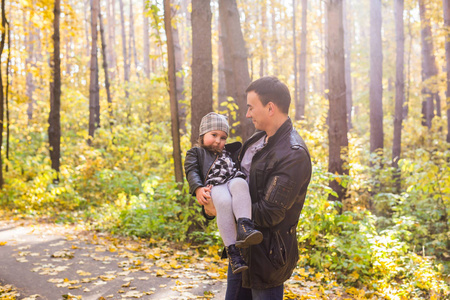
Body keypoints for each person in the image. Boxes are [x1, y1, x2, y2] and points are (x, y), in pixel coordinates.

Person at [203, 76, 312, 300]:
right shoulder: (256, 141)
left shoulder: (293, 154)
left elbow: (270, 212)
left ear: (270, 108)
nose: (247, 114)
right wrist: (209, 197)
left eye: (251, 107)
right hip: (242, 252)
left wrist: (224, 209)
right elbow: (232, 181)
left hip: (267, 258)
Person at [184, 112, 263, 275]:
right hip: (215, 185)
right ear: (202, 134)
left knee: (241, 184)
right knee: (224, 202)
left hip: (233, 178)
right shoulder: (195, 153)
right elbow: (191, 171)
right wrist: (198, 188)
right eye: (214, 135)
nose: (218, 141)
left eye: (223, 137)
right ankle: (233, 253)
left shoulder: (230, 152)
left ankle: (245, 226)